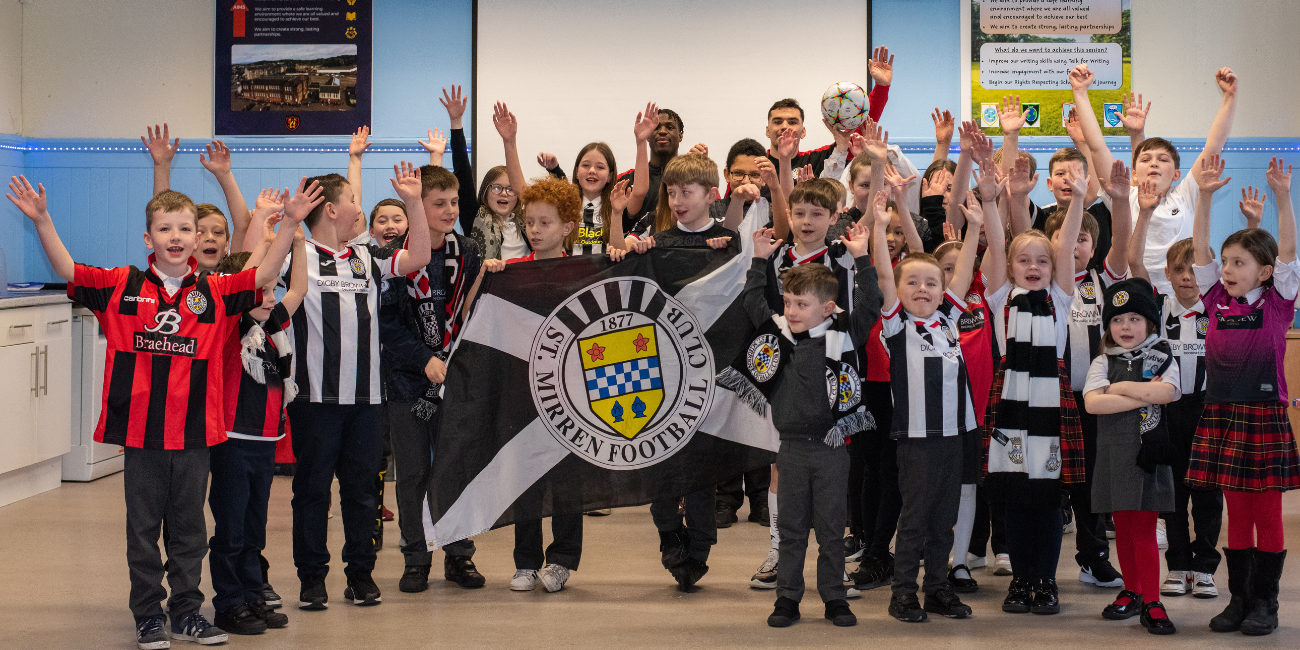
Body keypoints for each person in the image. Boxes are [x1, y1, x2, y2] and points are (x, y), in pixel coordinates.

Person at [7, 175, 306, 649]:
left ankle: (186, 612)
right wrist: (43, 220)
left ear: (195, 238)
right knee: (143, 530)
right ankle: (147, 614)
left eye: (185, 229)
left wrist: (289, 224)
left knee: (190, 530)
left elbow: (264, 276)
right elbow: (68, 268)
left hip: (194, 434)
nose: (176, 237)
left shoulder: (215, 291)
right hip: (142, 434)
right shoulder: (120, 285)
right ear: (149, 238)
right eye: (165, 229)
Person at [285, 162, 432, 610]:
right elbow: (252, 268)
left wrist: (413, 202)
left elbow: (420, 257)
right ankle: (312, 579)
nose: (358, 207)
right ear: (331, 209)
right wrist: (284, 222)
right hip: (313, 398)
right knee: (311, 491)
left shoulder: (367, 257)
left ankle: (360, 574)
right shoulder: (295, 255)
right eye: (351, 199)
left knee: (362, 491)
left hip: (367, 400)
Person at [738, 218, 881, 628]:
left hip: (833, 449)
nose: (791, 311)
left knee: (832, 530)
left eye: (802, 304)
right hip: (791, 450)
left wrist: (861, 259)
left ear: (828, 307)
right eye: (788, 303)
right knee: (793, 532)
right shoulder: (780, 337)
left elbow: (871, 303)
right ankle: (787, 599)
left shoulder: (846, 334)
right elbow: (752, 303)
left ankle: (835, 598)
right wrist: (759, 261)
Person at [1187, 155, 1299, 636]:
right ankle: (1239, 598)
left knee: (1266, 514)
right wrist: (1206, 196)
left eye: (1240, 263)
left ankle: (1265, 604)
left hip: (1263, 417)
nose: (1228, 270)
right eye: (1226, 262)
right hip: (1222, 415)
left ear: (1266, 271)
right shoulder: (1216, 300)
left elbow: (1290, 254)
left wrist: (1281, 197)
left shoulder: (1277, 303)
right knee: (1236, 512)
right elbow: (1199, 252)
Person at [466, 177, 590, 592]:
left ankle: (562, 559)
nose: (535, 230)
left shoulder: (585, 271)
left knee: (569, 478)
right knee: (526, 476)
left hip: (572, 394)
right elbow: (475, 319)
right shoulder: (511, 271)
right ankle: (525, 560)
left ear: (568, 227)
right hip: (524, 391)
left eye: (545, 222)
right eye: (530, 222)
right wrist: (488, 276)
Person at [871, 169, 982, 621]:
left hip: (955, 436)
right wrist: (879, 226)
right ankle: (903, 593)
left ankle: (937, 587)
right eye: (912, 283)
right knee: (915, 519)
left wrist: (975, 227)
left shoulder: (949, 322)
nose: (923, 290)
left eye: (931, 284)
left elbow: (965, 274)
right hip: (916, 440)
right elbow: (881, 270)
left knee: (944, 519)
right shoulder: (898, 327)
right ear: (898, 293)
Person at [1037, 97, 1137, 588]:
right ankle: (1038, 563)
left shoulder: (1105, 281)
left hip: (1094, 399)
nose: (1074, 246)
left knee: (1093, 482)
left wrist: (1119, 200)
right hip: (1051, 395)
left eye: (1081, 241)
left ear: (1092, 248)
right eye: (1065, 239)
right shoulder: (1045, 286)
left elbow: (1122, 246)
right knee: (1050, 479)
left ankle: (1093, 555)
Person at [982, 170, 1090, 616]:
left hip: (1050, 411)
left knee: (1047, 502)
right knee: (1014, 499)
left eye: (1041, 261)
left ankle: (1045, 580)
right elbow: (993, 240)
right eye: (1023, 260)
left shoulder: (1060, 298)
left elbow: (1064, 246)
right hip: (1009, 408)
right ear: (1009, 268)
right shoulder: (1000, 297)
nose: (1033, 267)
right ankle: (1020, 579)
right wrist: (991, 202)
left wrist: (1079, 199)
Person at [378, 162, 486, 594]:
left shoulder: (470, 250)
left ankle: (459, 556)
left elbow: (477, 313)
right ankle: (416, 557)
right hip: (408, 380)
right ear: (417, 207)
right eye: (438, 203)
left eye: (453, 202)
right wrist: (423, 359)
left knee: (457, 468)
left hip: (455, 377)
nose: (448, 210)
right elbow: (385, 322)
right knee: (412, 474)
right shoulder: (392, 256)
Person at [749, 174, 854, 590]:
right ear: (787, 215)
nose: (806, 221)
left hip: (829, 375)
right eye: (798, 213)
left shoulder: (843, 256)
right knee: (780, 467)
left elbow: (856, 312)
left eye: (816, 213)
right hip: (786, 377)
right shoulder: (775, 257)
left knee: (831, 472)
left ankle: (835, 562)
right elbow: (761, 308)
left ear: (834, 217)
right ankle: (779, 548)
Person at [208, 209, 308, 635]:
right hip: (232, 442)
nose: (269, 298)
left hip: (265, 442)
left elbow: (299, 289)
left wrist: (297, 242)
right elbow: (245, 283)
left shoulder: (273, 328)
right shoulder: (229, 325)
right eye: (261, 291)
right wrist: (267, 241)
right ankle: (228, 603)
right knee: (230, 529)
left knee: (254, 529)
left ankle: (252, 594)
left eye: (271, 290)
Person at [1127, 182, 1224, 600]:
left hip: (1207, 409)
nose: (1187, 278)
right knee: (1172, 488)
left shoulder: (1218, 310)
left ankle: (1205, 567)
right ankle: (1178, 564)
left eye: (1194, 270)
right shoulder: (1158, 308)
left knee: (1206, 489)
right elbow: (1132, 261)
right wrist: (1144, 214)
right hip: (1166, 410)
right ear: (1167, 274)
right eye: (1179, 271)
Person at [1069, 63, 1237, 295]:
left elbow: (1213, 146)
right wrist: (1080, 92)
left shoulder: (1185, 194)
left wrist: (1229, 97)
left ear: (1177, 174)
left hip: (1185, 295)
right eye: (1146, 159)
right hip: (1136, 296)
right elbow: (1097, 148)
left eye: (1163, 159)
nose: (1154, 163)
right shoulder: (1124, 196)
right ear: (1134, 173)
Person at [1083, 277, 1181, 634]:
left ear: (1151, 323)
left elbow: (1169, 393)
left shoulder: (1162, 356)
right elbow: (1094, 403)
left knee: (1143, 530)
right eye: (1117, 319)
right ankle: (1132, 589)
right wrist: (1143, 393)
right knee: (1122, 529)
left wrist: (1120, 388)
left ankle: (1153, 599)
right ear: (1107, 325)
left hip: (1148, 459)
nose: (1125, 327)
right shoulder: (1101, 362)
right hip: (1113, 458)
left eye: (1135, 319)